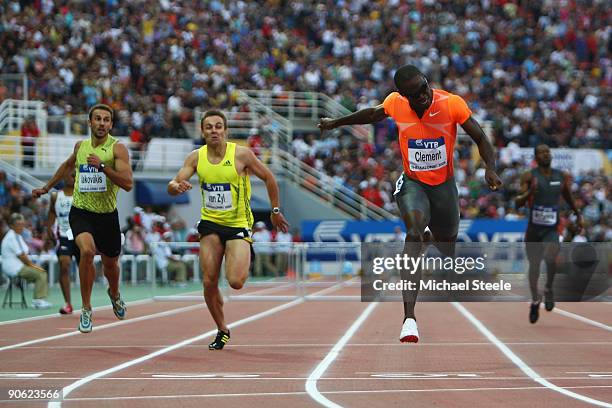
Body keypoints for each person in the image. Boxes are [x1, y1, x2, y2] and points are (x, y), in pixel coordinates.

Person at [318, 65, 502, 343]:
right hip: (413, 183)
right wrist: (336, 123)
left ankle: (430, 238)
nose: (424, 96)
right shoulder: (395, 103)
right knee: (413, 233)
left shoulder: (451, 103)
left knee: (446, 248)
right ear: (404, 96)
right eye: (416, 94)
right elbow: (371, 114)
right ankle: (409, 318)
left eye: (425, 88)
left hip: (444, 186)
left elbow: (480, 136)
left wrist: (490, 167)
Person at [168, 109, 289, 350]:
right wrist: (175, 187)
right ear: (202, 131)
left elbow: (269, 178)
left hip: (237, 225)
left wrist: (275, 211)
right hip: (210, 224)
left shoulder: (241, 155)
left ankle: (243, 253)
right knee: (209, 281)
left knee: (235, 281)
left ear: (226, 131)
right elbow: (173, 183)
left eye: (218, 126)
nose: (214, 130)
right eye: (209, 127)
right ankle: (222, 329)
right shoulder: (196, 157)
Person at [32, 103, 133, 333]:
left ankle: (114, 293)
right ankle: (86, 309)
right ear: (90, 122)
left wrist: (103, 166)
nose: (101, 123)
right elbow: (66, 166)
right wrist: (46, 188)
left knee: (111, 266)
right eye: (97, 119)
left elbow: (128, 184)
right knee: (87, 252)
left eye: (106, 120)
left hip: (107, 215)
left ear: (111, 125)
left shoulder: (118, 149)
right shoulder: (81, 146)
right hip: (81, 212)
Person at [514, 144, 582, 324]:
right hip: (534, 229)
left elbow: (568, 197)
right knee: (534, 266)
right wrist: (529, 192)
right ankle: (535, 299)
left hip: (551, 228)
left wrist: (578, 213)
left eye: (547, 152)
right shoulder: (529, 176)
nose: (545, 155)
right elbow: (517, 203)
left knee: (552, 257)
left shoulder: (560, 176)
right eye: (541, 153)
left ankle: (549, 288)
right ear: (536, 157)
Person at [1, 213, 52, 308]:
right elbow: (22, 256)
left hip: (18, 266)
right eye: (18, 225)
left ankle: (40, 298)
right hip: (13, 268)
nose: (21, 227)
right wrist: (34, 266)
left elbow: (25, 253)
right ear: (12, 226)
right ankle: (38, 301)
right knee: (41, 273)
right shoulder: (12, 237)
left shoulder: (17, 236)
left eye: (22, 224)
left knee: (40, 272)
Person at [46, 170, 78, 314]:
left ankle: (86, 303)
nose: (73, 176)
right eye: (71, 174)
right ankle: (68, 304)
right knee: (64, 265)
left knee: (85, 269)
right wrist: (48, 229)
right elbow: (52, 213)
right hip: (64, 235)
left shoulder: (82, 194)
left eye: (75, 175)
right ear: (64, 176)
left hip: (81, 235)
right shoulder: (55, 196)